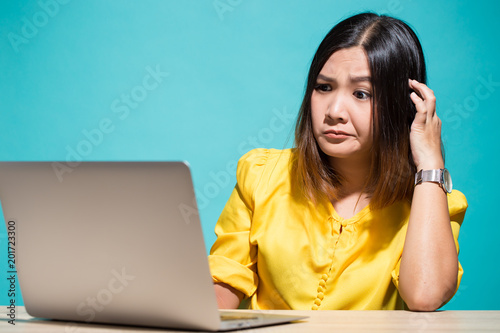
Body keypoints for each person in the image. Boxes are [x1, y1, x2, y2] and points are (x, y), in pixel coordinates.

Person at [208, 12, 467, 311]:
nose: (334, 111)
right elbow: (223, 285)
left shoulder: (430, 202)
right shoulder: (261, 174)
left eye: (361, 93)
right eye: (324, 87)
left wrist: (430, 162)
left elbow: (425, 295)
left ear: (403, 105)